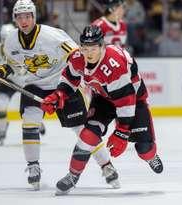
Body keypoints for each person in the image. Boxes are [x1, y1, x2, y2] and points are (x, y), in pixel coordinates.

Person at [0, 0, 120, 191]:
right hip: (35, 84)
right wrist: (1, 71)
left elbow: (77, 55)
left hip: (63, 83)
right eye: (20, 17)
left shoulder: (52, 36)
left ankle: (106, 166)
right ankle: (33, 166)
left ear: (34, 16)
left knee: (83, 130)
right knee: (29, 122)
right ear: (15, 18)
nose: (24, 21)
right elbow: (13, 63)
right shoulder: (11, 39)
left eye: (27, 16)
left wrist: (77, 83)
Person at [41, 25, 164, 195]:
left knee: (144, 149)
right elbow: (70, 78)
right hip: (104, 100)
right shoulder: (78, 57)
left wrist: (121, 133)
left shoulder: (114, 63)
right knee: (87, 134)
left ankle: (151, 156)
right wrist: (58, 95)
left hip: (134, 100)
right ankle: (72, 175)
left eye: (93, 48)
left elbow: (126, 102)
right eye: (85, 47)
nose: (88, 52)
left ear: (102, 46)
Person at [0, 23, 46, 146]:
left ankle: (37, 123)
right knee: (0, 104)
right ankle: (1, 131)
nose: (7, 43)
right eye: (4, 39)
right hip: (9, 81)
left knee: (32, 109)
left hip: (27, 81)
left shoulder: (26, 48)